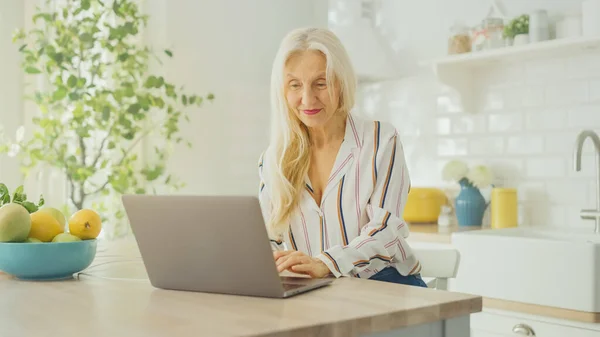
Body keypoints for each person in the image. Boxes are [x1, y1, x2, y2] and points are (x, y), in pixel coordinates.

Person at [257, 27, 426, 288]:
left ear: (341, 83)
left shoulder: (381, 140)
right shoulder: (274, 159)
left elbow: (386, 231)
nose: (307, 98)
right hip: (320, 291)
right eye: (295, 85)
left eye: (320, 83)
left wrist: (326, 263)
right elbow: (267, 235)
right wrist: (272, 260)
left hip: (385, 283)